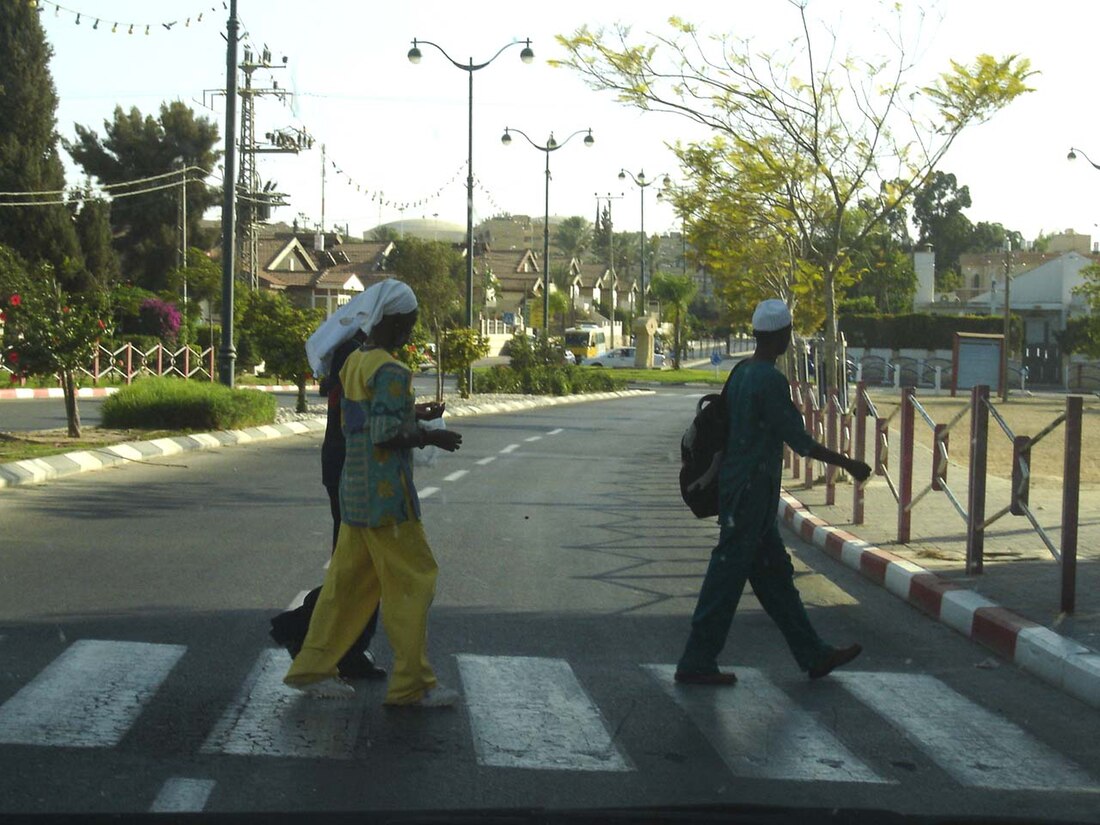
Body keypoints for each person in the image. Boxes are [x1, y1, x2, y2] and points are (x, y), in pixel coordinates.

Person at [675, 298, 872, 685]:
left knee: (775, 578)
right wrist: (848, 463)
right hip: (750, 495)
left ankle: (812, 653)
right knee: (726, 577)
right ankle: (696, 660)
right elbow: (799, 441)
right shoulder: (768, 380)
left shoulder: (742, 372)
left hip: (748, 494)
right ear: (782, 337)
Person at [284, 279, 462, 704]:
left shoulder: (353, 365)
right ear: (399, 324)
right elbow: (384, 434)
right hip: (388, 503)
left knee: (344, 590)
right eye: (412, 324)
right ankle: (412, 685)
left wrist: (410, 413)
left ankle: (312, 669)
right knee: (413, 582)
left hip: (355, 494)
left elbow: (361, 420)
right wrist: (429, 437)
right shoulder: (393, 371)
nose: (412, 332)